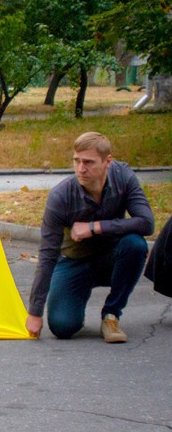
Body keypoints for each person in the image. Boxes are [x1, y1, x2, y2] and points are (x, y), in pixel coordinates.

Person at [26, 132, 154, 343]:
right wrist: (35, 312)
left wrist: (95, 227)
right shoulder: (61, 196)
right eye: (76, 161)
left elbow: (146, 222)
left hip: (111, 259)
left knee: (135, 245)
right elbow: (48, 254)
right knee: (62, 327)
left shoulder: (123, 177)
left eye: (88, 162)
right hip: (72, 262)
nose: (81, 168)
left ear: (108, 162)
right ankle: (77, 296)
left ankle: (111, 315)